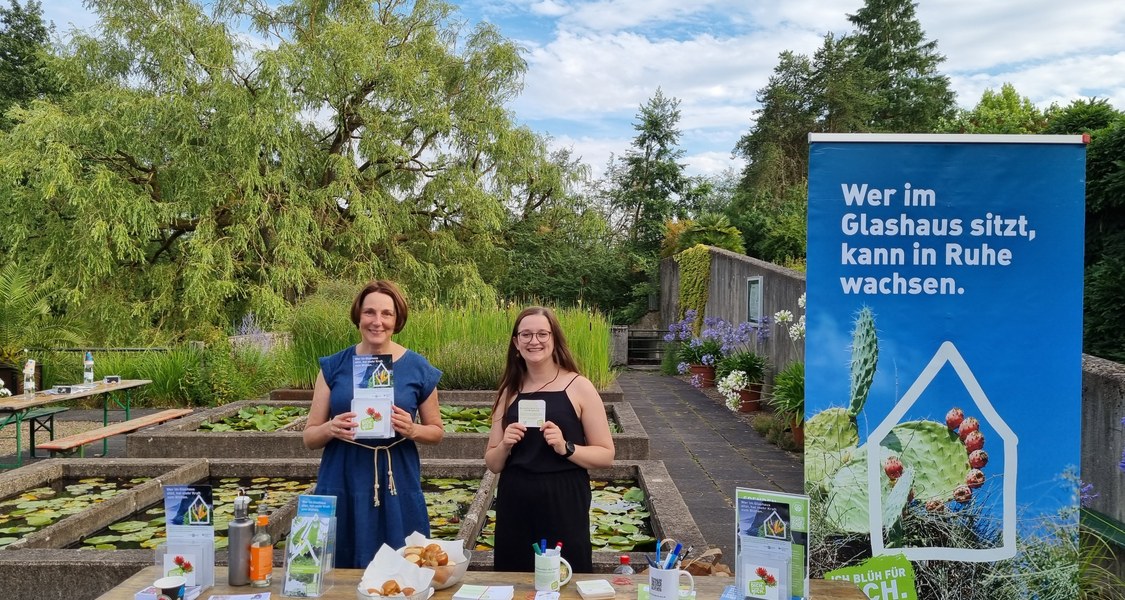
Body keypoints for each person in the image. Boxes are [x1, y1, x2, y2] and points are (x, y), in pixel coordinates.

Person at [304, 280, 444, 568]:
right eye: (369, 313)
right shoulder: (333, 366)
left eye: (386, 314)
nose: (377, 322)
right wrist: (331, 428)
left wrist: (413, 429)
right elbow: (309, 437)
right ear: (358, 316)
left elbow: (437, 432)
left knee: (403, 563)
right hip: (342, 473)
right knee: (338, 564)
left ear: (397, 319)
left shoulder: (418, 367)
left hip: (395, 476)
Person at [485, 306, 615, 573]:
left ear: (554, 339)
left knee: (567, 574)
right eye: (526, 335)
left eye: (542, 334)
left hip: (564, 497)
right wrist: (505, 444)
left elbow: (606, 455)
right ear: (516, 343)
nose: (535, 341)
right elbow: (493, 463)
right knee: (515, 576)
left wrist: (566, 447)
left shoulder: (579, 386)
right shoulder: (509, 391)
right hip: (516, 499)